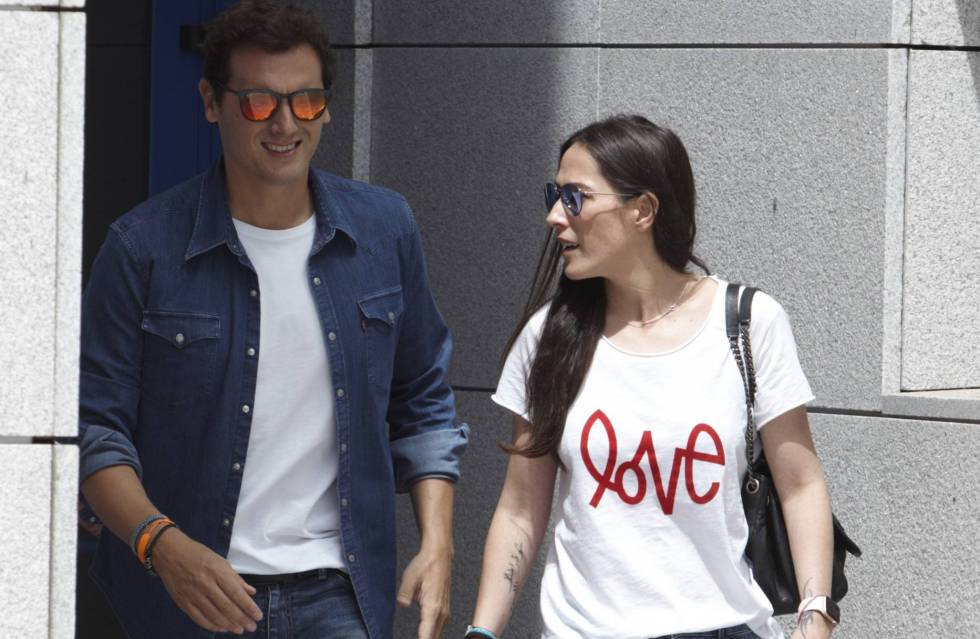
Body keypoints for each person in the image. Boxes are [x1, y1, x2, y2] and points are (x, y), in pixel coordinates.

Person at [78, 2, 468, 638]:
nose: (286, 123)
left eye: (306, 101)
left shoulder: (384, 229)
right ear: (212, 102)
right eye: (259, 102)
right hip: (194, 597)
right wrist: (161, 547)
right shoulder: (142, 248)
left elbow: (422, 399)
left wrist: (439, 545)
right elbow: (96, 429)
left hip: (340, 595)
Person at [466, 115, 838, 639]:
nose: (554, 216)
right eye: (555, 195)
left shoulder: (748, 323)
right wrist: (482, 631)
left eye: (574, 197)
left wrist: (815, 616)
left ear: (642, 210)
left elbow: (800, 483)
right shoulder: (549, 337)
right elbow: (521, 508)